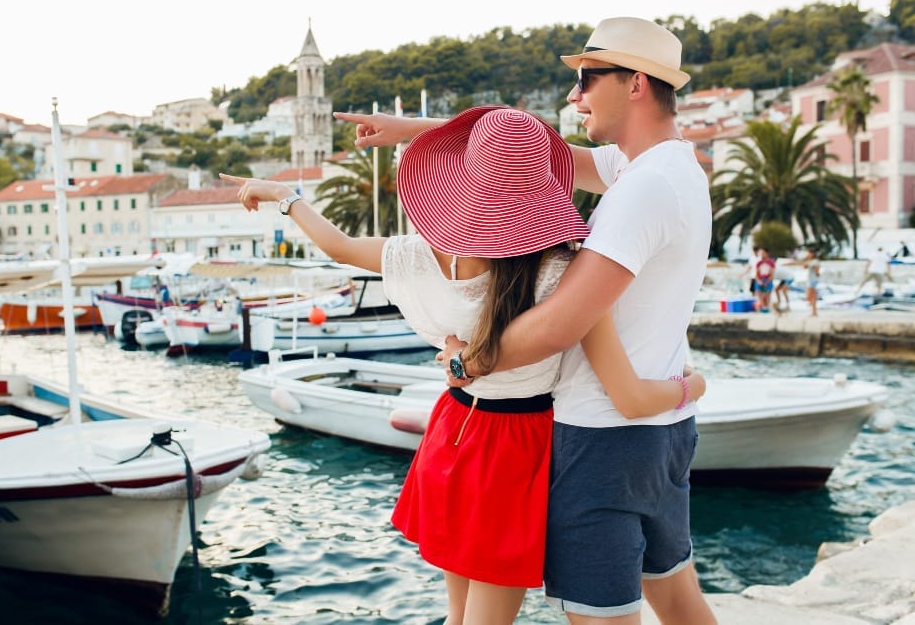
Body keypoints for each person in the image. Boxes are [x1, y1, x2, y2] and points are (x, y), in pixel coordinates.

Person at [225, 105, 706, 625]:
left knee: (457, 615)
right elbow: (624, 389)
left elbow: (337, 245)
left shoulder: (421, 257)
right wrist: (691, 387)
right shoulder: (562, 275)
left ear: (458, 192)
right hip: (520, 446)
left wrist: (286, 197)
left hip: (455, 430)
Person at [336, 16, 717, 625]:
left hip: (602, 438)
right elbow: (526, 155)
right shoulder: (667, 168)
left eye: (587, 79)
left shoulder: (641, 190)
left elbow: (559, 323)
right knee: (676, 598)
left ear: (636, 83)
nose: (574, 95)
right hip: (662, 429)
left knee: (603, 617)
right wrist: (419, 130)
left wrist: (465, 362)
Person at [753, 247, 776, 312]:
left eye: (763, 253)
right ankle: (763, 306)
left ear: (767, 253)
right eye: (761, 253)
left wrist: (767, 281)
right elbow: (756, 274)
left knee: (768, 293)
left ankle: (767, 307)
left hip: (768, 279)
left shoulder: (771, 263)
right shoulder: (759, 263)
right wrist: (759, 281)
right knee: (758, 292)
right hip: (760, 279)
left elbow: (772, 274)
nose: (761, 254)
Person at [804, 248, 821, 317]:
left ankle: (814, 310)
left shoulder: (815, 261)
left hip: (813, 280)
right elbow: (804, 267)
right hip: (810, 280)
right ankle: (814, 312)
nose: (808, 254)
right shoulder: (810, 261)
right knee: (813, 297)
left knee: (809, 297)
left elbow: (817, 270)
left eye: (809, 253)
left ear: (813, 254)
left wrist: (817, 272)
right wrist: (807, 259)